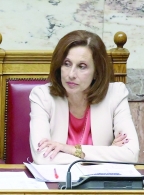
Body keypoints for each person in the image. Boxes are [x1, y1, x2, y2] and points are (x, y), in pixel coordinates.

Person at [30, 30, 138, 164]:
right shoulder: (42, 96)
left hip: (98, 183)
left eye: (82, 66)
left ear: (96, 72)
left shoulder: (115, 95)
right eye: (67, 64)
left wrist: (70, 149)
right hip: (56, 181)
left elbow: (130, 154)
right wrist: (108, 153)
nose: (71, 74)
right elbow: (42, 157)